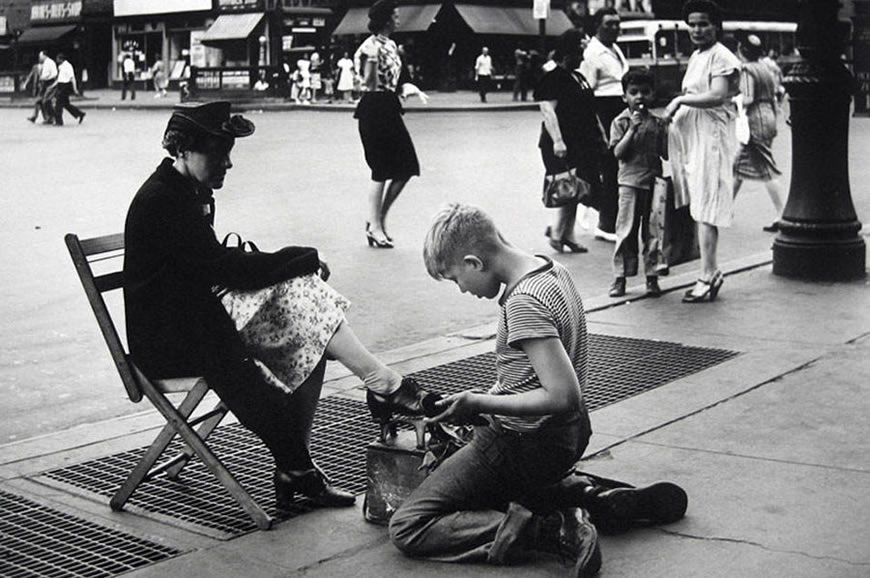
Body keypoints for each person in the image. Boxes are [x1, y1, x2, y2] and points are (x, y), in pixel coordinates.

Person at [123, 101, 433, 510]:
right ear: (182, 149)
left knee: (311, 329)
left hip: (195, 321)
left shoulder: (186, 190)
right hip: (169, 342)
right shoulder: (163, 201)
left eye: (228, 152)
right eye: (217, 153)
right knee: (298, 320)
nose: (228, 163)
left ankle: (309, 454)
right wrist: (297, 258)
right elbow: (225, 269)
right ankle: (365, 402)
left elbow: (214, 269)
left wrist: (294, 264)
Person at [391, 203, 688, 575]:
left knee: (409, 525)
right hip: (568, 436)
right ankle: (588, 496)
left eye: (455, 279)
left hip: (522, 445)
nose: (462, 290)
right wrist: (486, 403)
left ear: (473, 262)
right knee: (490, 484)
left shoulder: (523, 303)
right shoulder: (550, 270)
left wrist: (477, 401)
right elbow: (543, 380)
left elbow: (563, 396)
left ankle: (553, 530)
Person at [664, 0, 740, 303]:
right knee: (699, 204)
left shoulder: (722, 57)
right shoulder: (698, 55)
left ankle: (708, 274)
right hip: (695, 138)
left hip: (711, 138)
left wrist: (679, 102)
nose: (697, 29)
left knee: (707, 205)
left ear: (715, 25)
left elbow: (717, 96)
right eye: (692, 24)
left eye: (703, 23)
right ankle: (710, 271)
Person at [353, 0, 428, 248]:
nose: (399, 19)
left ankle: (377, 220)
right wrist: (372, 61)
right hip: (373, 110)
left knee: (407, 167)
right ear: (385, 19)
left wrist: (412, 89)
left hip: (390, 108)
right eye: (395, 16)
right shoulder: (368, 47)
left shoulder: (392, 45)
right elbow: (369, 85)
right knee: (381, 170)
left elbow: (400, 79)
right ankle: (375, 226)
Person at [535, 29, 604, 254]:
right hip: (560, 144)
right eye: (579, 53)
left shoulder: (578, 76)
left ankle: (567, 235)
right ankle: (557, 234)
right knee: (567, 187)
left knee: (576, 188)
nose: (583, 58)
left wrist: (600, 135)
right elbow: (548, 111)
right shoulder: (552, 77)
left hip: (580, 143)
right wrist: (558, 141)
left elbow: (590, 110)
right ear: (566, 56)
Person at [607, 69, 669, 298]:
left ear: (652, 95)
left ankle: (652, 277)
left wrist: (668, 130)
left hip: (653, 182)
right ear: (625, 97)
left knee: (653, 232)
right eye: (633, 92)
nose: (639, 97)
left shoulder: (657, 123)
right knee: (625, 231)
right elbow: (618, 153)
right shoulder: (621, 122)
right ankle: (620, 277)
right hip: (629, 184)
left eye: (645, 92)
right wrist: (632, 129)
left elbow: (665, 153)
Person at [580, 7, 628, 244]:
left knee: (620, 167)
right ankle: (605, 223)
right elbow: (588, 91)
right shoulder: (592, 53)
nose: (615, 28)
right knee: (610, 169)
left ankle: (611, 217)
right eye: (609, 24)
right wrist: (596, 124)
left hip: (619, 109)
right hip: (604, 110)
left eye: (617, 23)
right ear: (597, 25)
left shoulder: (614, 49)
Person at [733, 35, 784, 233]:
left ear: (741, 50)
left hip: (755, 119)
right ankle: (725, 209)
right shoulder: (765, 67)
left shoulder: (747, 70)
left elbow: (747, 98)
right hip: (767, 116)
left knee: (765, 168)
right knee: (738, 166)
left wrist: (732, 100)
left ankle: (782, 213)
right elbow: (773, 96)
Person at [50, 53, 85, 126]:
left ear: (61, 59)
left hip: (65, 86)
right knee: (66, 104)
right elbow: (59, 78)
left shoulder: (68, 66)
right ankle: (80, 113)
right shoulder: (61, 67)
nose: (57, 61)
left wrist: (75, 89)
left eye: (58, 59)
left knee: (58, 104)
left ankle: (59, 121)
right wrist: (53, 85)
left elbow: (72, 78)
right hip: (61, 85)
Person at [27, 51, 57, 124]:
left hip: (48, 83)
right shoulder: (44, 64)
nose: (39, 58)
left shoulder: (50, 63)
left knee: (45, 101)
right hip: (43, 83)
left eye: (40, 56)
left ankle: (52, 117)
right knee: (39, 100)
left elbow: (54, 73)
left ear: (44, 55)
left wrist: (47, 78)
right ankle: (38, 117)